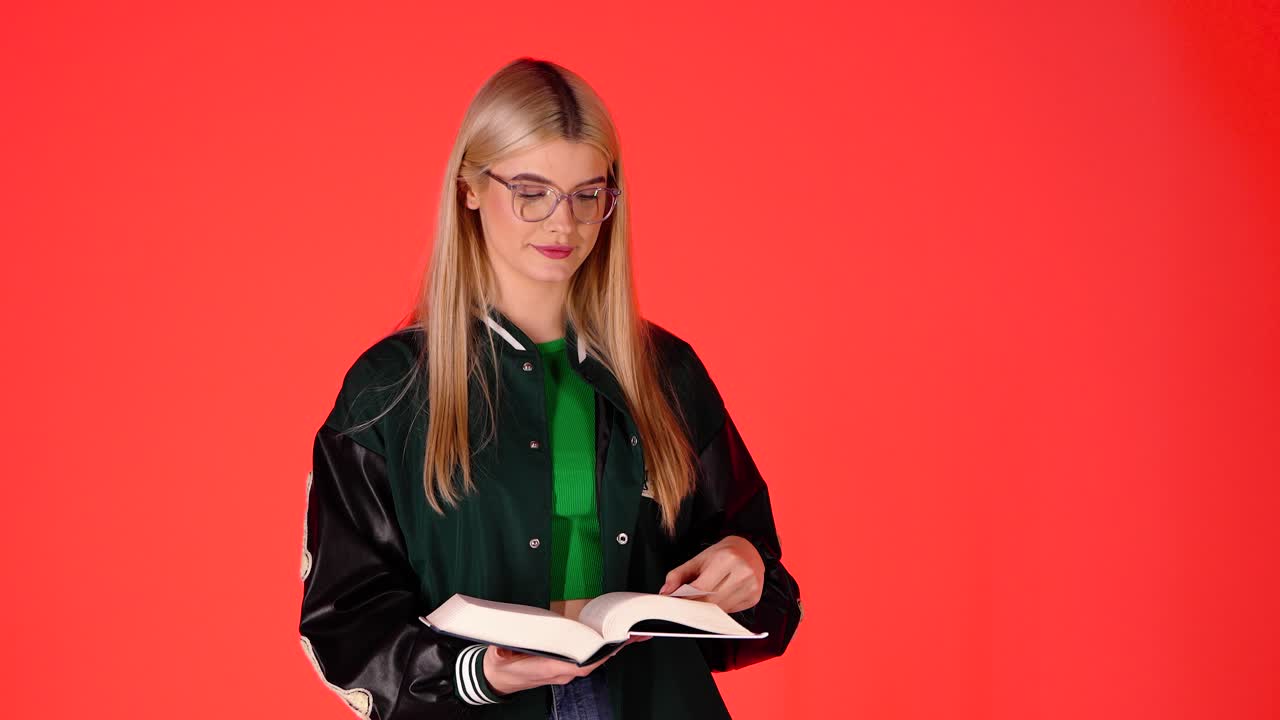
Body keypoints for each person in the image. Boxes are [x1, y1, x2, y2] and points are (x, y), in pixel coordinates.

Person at [298, 57, 803, 720]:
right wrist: (475, 672)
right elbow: (341, 617)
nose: (563, 223)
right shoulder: (391, 390)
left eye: (587, 195)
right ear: (469, 188)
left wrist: (745, 565)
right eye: (531, 192)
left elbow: (770, 596)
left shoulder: (667, 373)